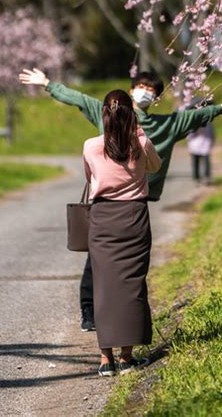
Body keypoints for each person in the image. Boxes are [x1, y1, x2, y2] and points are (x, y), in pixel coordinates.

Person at [18, 67, 222, 331]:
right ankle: (90, 311)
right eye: (142, 87)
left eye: (151, 90)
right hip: (108, 203)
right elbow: (79, 99)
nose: (145, 93)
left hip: (137, 204)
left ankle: (121, 317)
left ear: (157, 98)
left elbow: (193, 117)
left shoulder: (166, 126)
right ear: (131, 91)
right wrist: (48, 83)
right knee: (97, 260)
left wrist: (220, 108)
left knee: (129, 263)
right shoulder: (110, 114)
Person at [84, 89, 161, 376]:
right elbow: (155, 166)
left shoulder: (91, 146)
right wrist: (139, 134)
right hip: (134, 217)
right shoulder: (140, 143)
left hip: (103, 218)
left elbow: (90, 179)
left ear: (104, 114)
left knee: (103, 287)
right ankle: (127, 357)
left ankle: (106, 360)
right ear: (132, 114)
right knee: (132, 284)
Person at [187, 100, 215, 184]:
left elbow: (211, 132)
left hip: (205, 143)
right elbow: (189, 134)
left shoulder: (208, 121)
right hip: (194, 144)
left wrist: (212, 140)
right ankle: (196, 177)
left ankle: (207, 177)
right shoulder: (192, 121)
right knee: (195, 161)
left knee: (206, 161)